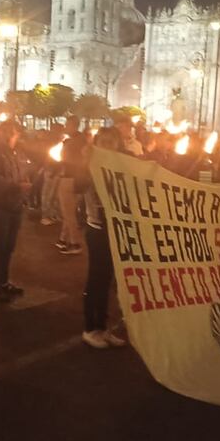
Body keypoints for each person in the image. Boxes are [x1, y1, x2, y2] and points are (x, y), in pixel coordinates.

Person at [78, 126, 127, 349]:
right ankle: (90, 328)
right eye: (104, 141)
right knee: (96, 280)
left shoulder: (119, 165)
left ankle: (103, 327)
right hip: (97, 229)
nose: (108, 146)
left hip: (114, 230)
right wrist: (86, 161)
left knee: (107, 280)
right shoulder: (89, 165)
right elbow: (78, 185)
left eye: (112, 141)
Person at [0, 120, 30, 301]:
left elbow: (24, 170)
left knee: (9, 246)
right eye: (6, 131)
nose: (11, 135)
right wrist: (17, 186)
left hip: (15, 205)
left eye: (13, 132)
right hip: (0, 205)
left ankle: (4, 281)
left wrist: (25, 182)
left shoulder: (18, 152)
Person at [56, 115, 86, 255]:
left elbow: (63, 158)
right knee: (70, 211)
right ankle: (63, 238)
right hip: (78, 179)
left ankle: (74, 243)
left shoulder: (72, 142)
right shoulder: (82, 140)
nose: (65, 127)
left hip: (69, 178)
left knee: (68, 213)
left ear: (74, 126)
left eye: (67, 125)